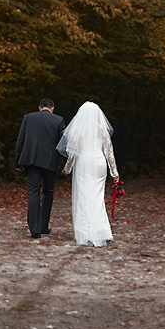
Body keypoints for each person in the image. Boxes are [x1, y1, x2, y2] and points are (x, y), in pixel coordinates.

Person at [57, 101, 119, 247]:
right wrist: (114, 172)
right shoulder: (102, 129)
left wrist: (67, 168)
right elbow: (109, 153)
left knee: (84, 196)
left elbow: (72, 153)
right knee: (97, 196)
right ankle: (102, 231)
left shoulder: (78, 130)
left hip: (84, 163)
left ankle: (85, 233)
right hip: (99, 162)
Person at [15, 98, 66, 238]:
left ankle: (34, 229)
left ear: (39, 107)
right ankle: (44, 225)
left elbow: (21, 139)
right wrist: (64, 164)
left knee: (33, 192)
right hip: (49, 162)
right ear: (52, 108)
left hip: (31, 160)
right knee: (48, 192)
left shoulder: (29, 117)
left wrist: (18, 162)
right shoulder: (58, 120)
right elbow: (63, 145)